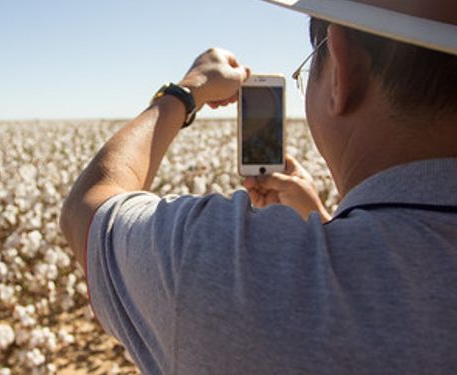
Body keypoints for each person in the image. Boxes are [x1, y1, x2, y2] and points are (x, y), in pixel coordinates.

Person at [60, 0, 457, 373]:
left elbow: (87, 209)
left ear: (342, 68)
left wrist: (186, 91)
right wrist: (322, 222)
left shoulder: (219, 268)